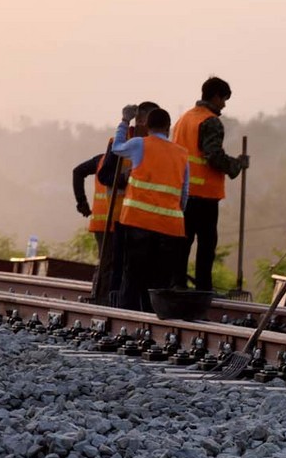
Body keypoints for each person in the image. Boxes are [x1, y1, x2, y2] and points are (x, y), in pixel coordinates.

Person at [98, 107, 190, 311]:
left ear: (147, 126)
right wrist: (175, 212)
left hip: (138, 223)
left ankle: (129, 321)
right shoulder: (182, 154)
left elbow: (117, 148)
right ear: (168, 128)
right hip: (171, 228)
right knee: (159, 282)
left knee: (133, 276)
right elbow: (184, 193)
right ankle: (154, 320)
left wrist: (124, 120)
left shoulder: (140, 145)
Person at [73, 101, 159, 301]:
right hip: (111, 218)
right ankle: (102, 304)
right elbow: (104, 176)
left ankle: (120, 303)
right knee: (109, 265)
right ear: (141, 120)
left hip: (134, 219)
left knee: (126, 267)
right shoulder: (118, 143)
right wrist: (124, 179)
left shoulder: (149, 146)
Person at [170, 77, 249, 291]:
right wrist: (237, 164)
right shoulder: (210, 121)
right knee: (206, 246)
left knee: (182, 243)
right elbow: (213, 155)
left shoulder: (183, 119)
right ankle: (203, 290)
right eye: (224, 99)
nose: (224, 105)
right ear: (215, 96)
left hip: (182, 193)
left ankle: (177, 286)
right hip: (204, 195)